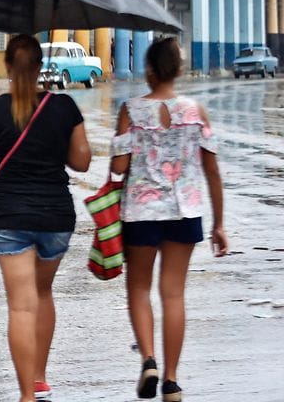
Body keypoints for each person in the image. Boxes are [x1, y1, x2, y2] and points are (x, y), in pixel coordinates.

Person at [0, 34, 91, 402]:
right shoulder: (64, 106)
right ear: (41, 68)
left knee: (22, 303)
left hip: (9, 215)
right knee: (43, 293)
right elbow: (82, 160)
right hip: (56, 215)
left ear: (6, 66)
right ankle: (40, 377)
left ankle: (27, 395)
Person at [109, 37, 226, 402]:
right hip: (185, 210)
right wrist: (219, 224)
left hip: (141, 212)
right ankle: (172, 382)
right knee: (173, 294)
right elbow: (212, 172)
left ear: (148, 70)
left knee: (139, 289)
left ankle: (148, 360)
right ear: (177, 69)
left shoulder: (130, 110)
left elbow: (118, 168)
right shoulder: (196, 112)